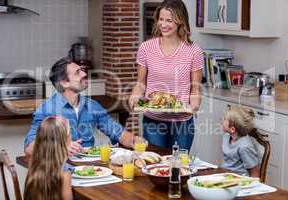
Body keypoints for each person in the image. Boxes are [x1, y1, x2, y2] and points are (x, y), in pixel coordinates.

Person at [129, 0, 203, 150]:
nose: (163, 24)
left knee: (178, 167)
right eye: (161, 19)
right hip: (153, 120)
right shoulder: (146, 48)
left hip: (182, 121)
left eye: (169, 20)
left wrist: (194, 104)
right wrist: (134, 96)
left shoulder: (194, 51)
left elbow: (195, 88)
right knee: (155, 163)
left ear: (180, 21)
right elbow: (140, 82)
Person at [24, 57, 136, 156]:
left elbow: (118, 132)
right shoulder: (46, 109)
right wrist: (60, 148)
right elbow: (29, 147)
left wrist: (135, 141)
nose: (84, 74)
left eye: (81, 70)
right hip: (62, 172)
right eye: (78, 72)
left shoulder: (92, 106)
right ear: (64, 83)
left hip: (91, 171)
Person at [24, 116, 72, 200]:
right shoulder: (64, 173)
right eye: (70, 133)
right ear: (66, 140)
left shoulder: (33, 163)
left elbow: (29, 150)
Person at [221, 106, 260, 177]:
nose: (222, 120)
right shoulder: (226, 136)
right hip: (225, 176)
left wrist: (253, 186)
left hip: (239, 181)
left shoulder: (244, 146)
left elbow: (254, 171)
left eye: (225, 119)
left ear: (232, 129)